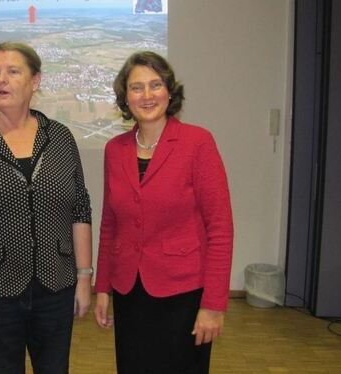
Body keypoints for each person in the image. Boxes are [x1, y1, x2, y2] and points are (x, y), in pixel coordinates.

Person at [0, 41, 93, 374]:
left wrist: (84, 277)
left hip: (57, 287)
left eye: (12, 71)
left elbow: (80, 209)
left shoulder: (61, 138)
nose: (1, 80)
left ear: (35, 81)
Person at [94, 51, 233, 373]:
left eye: (155, 85)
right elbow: (109, 224)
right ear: (125, 98)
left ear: (169, 91)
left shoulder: (197, 143)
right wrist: (103, 288)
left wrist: (213, 305)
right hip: (130, 293)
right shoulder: (115, 150)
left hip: (183, 294)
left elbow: (220, 228)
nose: (146, 95)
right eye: (136, 87)